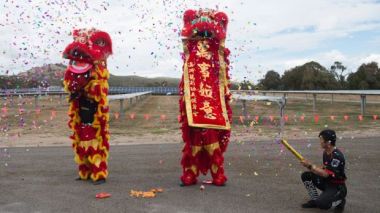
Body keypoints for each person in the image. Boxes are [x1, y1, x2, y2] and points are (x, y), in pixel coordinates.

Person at [300, 129, 347, 212]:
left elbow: (325, 174)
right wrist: (310, 167)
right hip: (327, 182)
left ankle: (340, 201)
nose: (320, 142)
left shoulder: (337, 156)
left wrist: (310, 166)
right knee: (306, 175)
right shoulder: (326, 152)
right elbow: (325, 168)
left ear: (328, 143)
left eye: (321, 140)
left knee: (323, 204)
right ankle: (315, 200)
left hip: (336, 187)